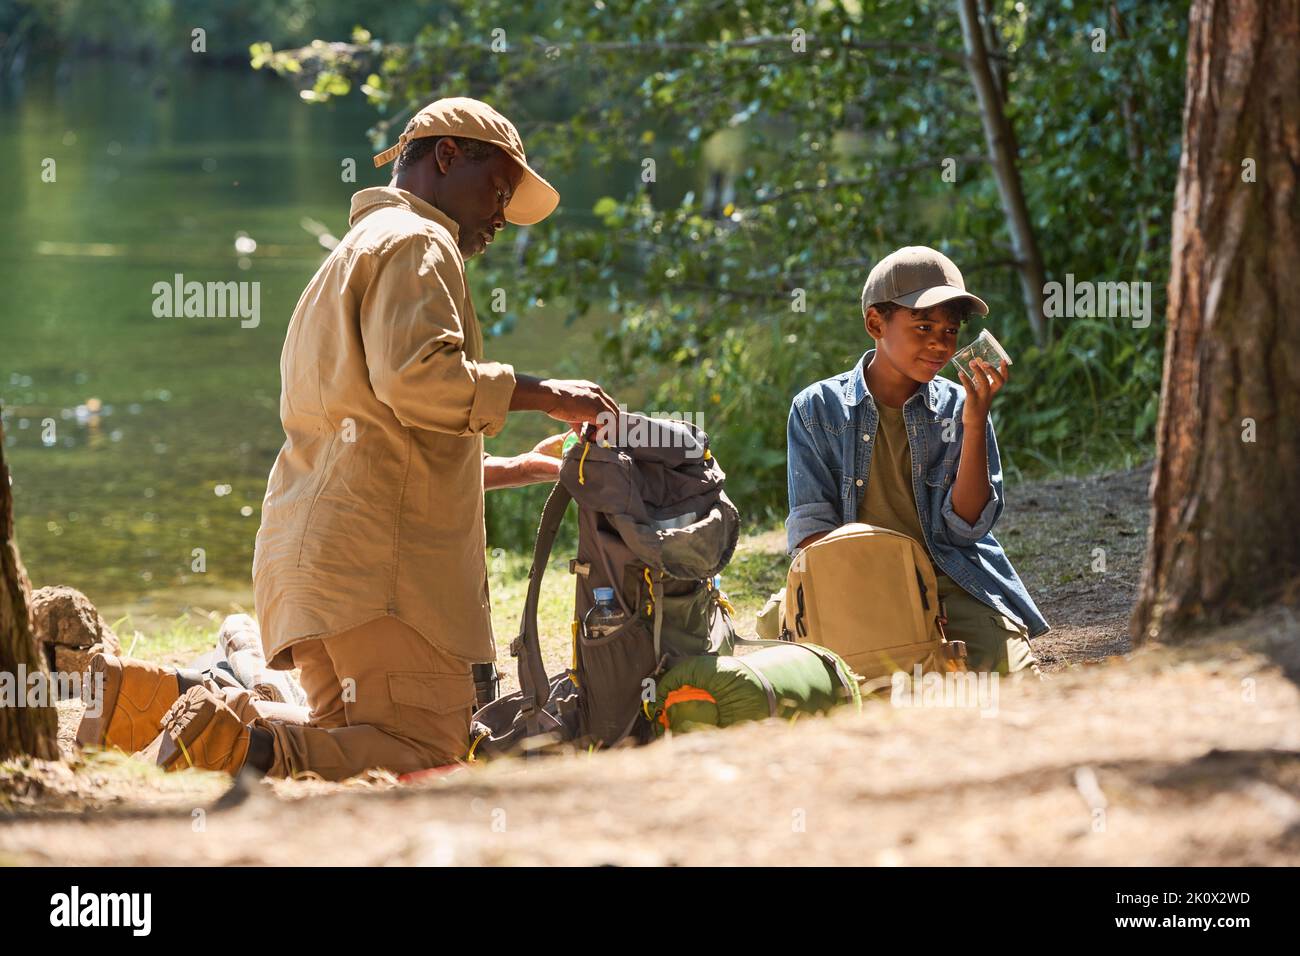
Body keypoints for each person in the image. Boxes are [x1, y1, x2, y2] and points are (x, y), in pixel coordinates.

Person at [126, 97, 619, 779]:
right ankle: (234, 745)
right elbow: (421, 380)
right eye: (497, 191)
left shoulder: (352, 253)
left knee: (351, 734)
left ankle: (136, 699)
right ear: (446, 157)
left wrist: (513, 467)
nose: (501, 217)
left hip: (317, 565)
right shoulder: (420, 243)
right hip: (381, 581)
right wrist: (549, 394)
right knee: (427, 749)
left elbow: (380, 436)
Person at [785, 246, 1048, 673]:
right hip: (860, 590)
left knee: (1016, 689)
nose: (939, 344)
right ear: (875, 322)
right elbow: (813, 541)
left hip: (955, 584)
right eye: (923, 325)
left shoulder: (959, 406)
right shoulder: (816, 409)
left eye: (950, 331)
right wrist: (902, 602)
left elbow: (966, 528)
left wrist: (976, 422)